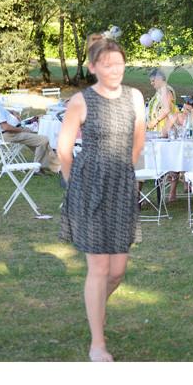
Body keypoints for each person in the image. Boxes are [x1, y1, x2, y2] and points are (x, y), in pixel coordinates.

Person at [57, 35, 146, 362]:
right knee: (99, 267)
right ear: (94, 67)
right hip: (88, 188)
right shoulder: (81, 101)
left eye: (119, 63)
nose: (115, 70)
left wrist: (122, 173)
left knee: (118, 270)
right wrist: (76, 186)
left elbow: (138, 142)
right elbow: (64, 150)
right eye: (107, 65)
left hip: (121, 187)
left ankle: (95, 307)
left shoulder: (135, 97)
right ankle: (98, 342)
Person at [0, 83, 60, 175]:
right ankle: (39, 168)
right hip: (11, 134)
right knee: (44, 139)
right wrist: (22, 130)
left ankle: (55, 166)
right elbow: (5, 127)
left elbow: (3, 113)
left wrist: (13, 112)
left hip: (11, 132)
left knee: (39, 141)